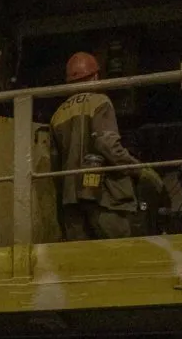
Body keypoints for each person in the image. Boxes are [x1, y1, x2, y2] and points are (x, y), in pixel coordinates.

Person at [49, 51, 160, 240]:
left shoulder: (57, 114)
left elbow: (54, 161)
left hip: (71, 202)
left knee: (79, 260)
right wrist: (140, 170)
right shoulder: (99, 101)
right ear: (95, 76)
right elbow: (107, 145)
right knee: (117, 254)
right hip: (102, 198)